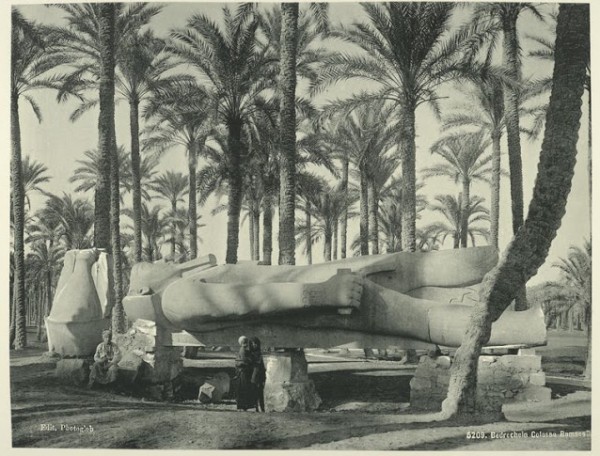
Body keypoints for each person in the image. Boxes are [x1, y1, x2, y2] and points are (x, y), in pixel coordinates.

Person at [235, 336, 255, 411]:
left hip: (245, 371)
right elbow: (245, 360)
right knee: (243, 388)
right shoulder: (243, 350)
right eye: (244, 342)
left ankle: (244, 405)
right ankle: (243, 405)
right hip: (243, 371)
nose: (245, 343)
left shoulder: (245, 350)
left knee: (244, 388)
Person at [250, 337, 266, 412]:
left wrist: (263, 378)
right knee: (255, 392)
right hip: (254, 374)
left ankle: (262, 408)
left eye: (255, 343)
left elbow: (261, 366)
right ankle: (256, 407)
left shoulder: (258, 353)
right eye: (253, 343)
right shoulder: (251, 353)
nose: (254, 345)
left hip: (259, 374)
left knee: (260, 392)